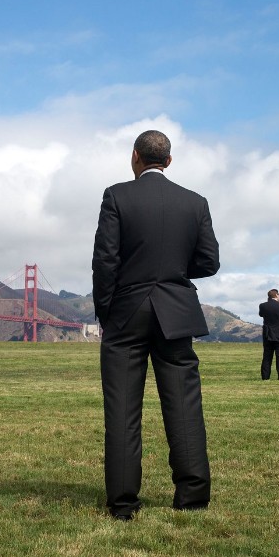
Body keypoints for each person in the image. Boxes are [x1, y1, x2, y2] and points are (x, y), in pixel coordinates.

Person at [92, 129, 220, 521]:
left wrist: (106, 311)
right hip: (176, 312)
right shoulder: (195, 202)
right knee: (184, 406)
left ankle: (124, 504)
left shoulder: (117, 196)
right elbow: (210, 262)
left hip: (127, 312)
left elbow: (105, 261)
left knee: (123, 409)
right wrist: (175, 270)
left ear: (135, 157)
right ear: (168, 161)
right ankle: (192, 497)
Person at [258, 289, 279, 380]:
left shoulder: (262, 305)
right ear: (277, 295)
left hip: (268, 334)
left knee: (267, 356)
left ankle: (265, 377)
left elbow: (261, 315)